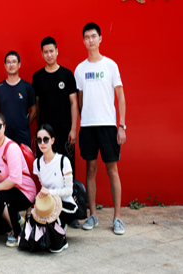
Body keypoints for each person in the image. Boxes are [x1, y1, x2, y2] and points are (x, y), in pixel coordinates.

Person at [74, 22, 127, 235]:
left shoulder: (110, 65)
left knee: (112, 170)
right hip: (88, 126)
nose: (90, 40)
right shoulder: (80, 69)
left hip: (108, 125)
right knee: (90, 170)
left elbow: (121, 96)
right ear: (84, 41)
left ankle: (117, 218)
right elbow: (79, 100)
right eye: (87, 37)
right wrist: (83, 119)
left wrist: (121, 126)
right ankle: (93, 215)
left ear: (100, 38)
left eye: (93, 36)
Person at [20, 124, 78, 253]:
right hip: (48, 204)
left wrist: (50, 193)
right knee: (34, 222)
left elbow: (69, 191)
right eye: (39, 140)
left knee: (51, 230)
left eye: (45, 139)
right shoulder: (37, 163)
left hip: (66, 204)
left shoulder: (63, 161)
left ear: (52, 140)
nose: (42, 143)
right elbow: (42, 187)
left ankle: (61, 239)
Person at [0, 112, 36, 248]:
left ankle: (17, 232)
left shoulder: (11, 148)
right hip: (5, 190)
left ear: (4, 127)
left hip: (24, 191)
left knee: (0, 198)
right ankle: (16, 219)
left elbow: (14, 179)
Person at [31, 37, 78, 168]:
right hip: (45, 134)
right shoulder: (37, 77)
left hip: (65, 132)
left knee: (66, 168)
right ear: (42, 54)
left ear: (57, 51)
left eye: (51, 51)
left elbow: (74, 103)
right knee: (46, 168)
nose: (49, 55)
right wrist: (40, 128)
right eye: (46, 52)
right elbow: (36, 105)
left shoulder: (67, 75)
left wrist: (73, 129)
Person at [0, 51, 36, 147]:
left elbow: (34, 110)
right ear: (5, 65)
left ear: (19, 64)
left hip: (23, 135)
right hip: (4, 136)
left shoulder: (27, 87)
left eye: (14, 62)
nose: (11, 65)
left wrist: (25, 124)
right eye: (8, 62)